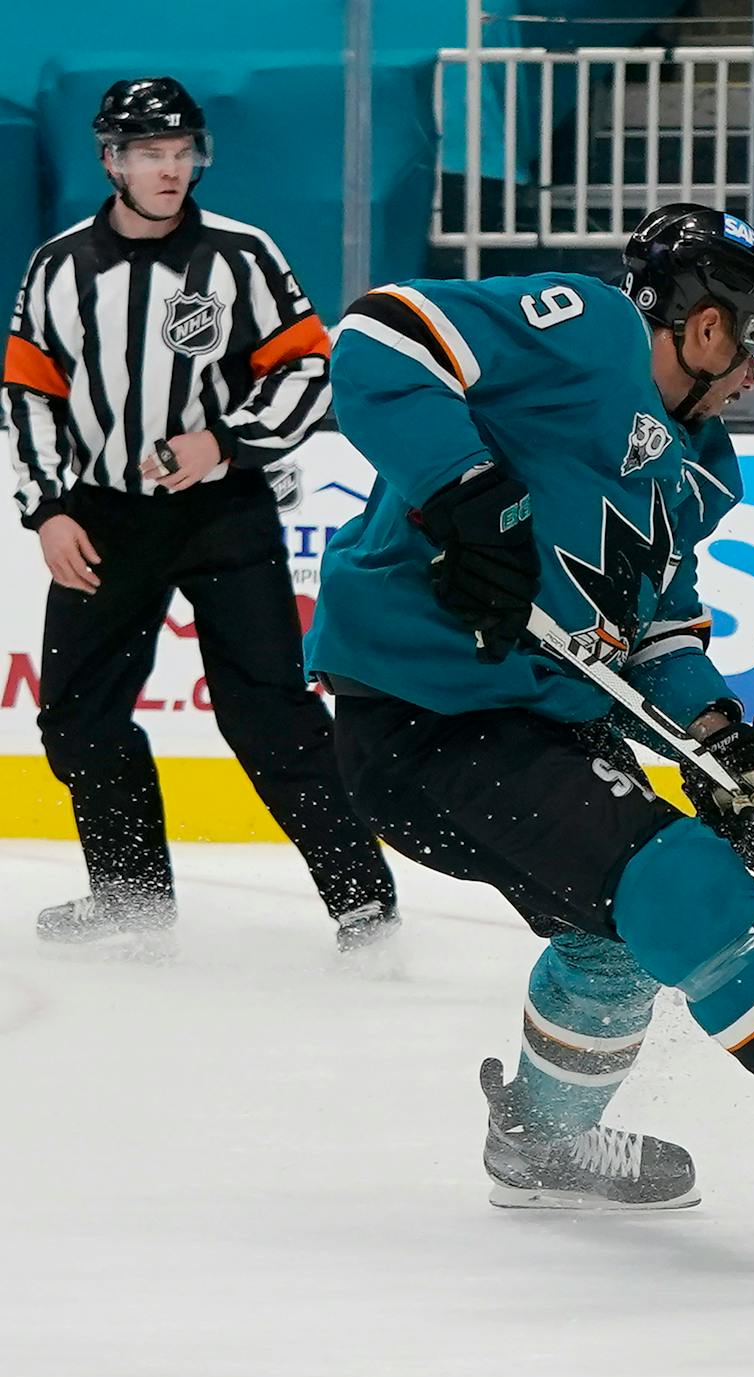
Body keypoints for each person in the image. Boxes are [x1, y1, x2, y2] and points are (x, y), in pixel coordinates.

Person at [306, 203, 754, 1239]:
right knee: (683, 885)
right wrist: (464, 489)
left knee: (616, 939)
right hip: (427, 715)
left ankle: (544, 1143)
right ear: (706, 327)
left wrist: (732, 746)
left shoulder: (702, 470)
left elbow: (655, 638)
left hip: (538, 725)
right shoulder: (589, 330)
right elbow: (382, 335)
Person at [3, 76, 397, 954]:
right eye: (151, 154)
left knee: (271, 716)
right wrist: (47, 511)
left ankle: (362, 905)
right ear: (112, 161)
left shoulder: (240, 255)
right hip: (104, 520)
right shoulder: (60, 265)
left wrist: (222, 442)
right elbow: (29, 394)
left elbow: (306, 366)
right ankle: (132, 902)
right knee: (78, 717)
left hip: (223, 515)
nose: (171, 170)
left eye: (182, 153)